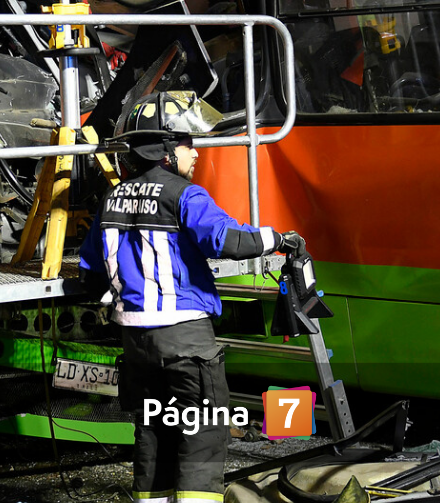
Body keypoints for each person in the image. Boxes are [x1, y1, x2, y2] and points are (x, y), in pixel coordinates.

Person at [78, 90, 303, 503]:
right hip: (185, 339)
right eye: (187, 144)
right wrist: (278, 238)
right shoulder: (185, 195)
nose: (195, 153)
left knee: (153, 428)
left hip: (135, 341)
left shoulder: (111, 199)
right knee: (204, 430)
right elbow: (226, 239)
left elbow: (90, 270)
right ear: (165, 152)